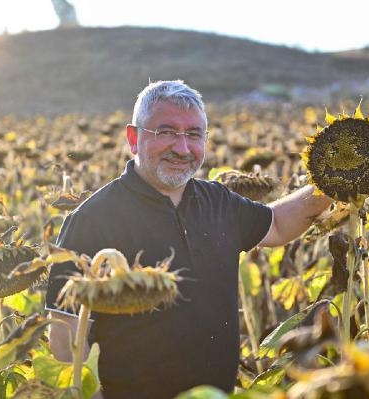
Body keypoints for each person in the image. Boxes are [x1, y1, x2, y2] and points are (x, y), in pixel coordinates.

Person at [45, 80, 332, 398]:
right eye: (166, 132)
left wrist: (333, 178)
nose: (182, 148)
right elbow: (64, 336)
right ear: (133, 138)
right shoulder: (94, 218)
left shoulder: (218, 200)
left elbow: (277, 225)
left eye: (193, 134)